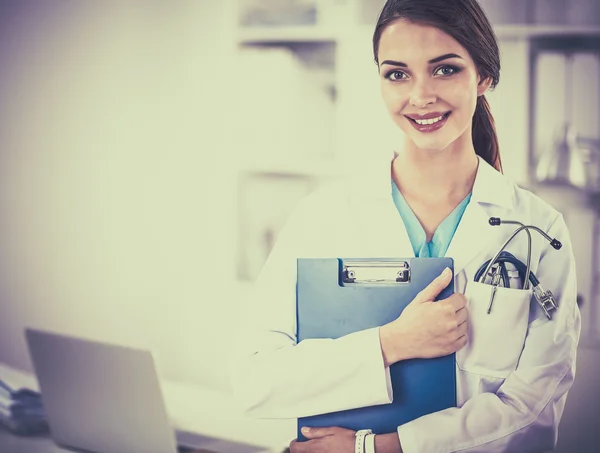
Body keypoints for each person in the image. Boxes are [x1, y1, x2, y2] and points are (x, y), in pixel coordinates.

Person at [229, 0, 581, 451]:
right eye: (398, 73)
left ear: (484, 76)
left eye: (445, 70)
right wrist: (389, 343)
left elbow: (534, 409)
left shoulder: (539, 231)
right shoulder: (322, 217)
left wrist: (376, 448)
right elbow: (255, 378)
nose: (420, 96)